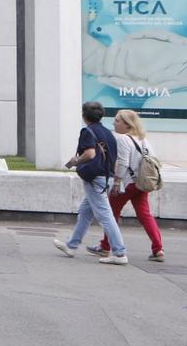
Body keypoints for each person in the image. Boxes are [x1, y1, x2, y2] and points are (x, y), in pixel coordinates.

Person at [55, 100, 130, 264]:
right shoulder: (108, 133)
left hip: (95, 178)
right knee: (85, 211)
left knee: (105, 215)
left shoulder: (88, 132)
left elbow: (89, 154)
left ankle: (119, 252)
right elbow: (114, 158)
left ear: (84, 116)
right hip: (107, 177)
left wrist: (76, 161)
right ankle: (71, 245)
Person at [98, 108, 165, 262]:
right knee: (145, 215)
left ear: (127, 125)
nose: (113, 123)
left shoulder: (123, 139)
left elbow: (122, 162)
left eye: (117, 120)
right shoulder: (143, 139)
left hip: (127, 183)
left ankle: (106, 246)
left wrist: (116, 182)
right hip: (141, 183)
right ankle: (158, 248)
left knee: (111, 213)